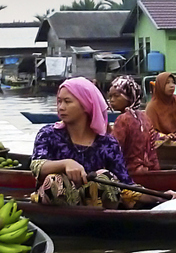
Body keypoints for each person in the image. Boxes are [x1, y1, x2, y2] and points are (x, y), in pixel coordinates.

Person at [31, 77, 136, 207]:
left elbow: (126, 183)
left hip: (97, 211)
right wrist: (66, 164)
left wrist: (161, 196)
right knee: (55, 181)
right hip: (56, 208)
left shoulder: (107, 143)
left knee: (104, 177)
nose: (61, 107)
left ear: (86, 105)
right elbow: (37, 165)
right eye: (59, 101)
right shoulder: (48, 134)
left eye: (67, 102)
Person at [108, 75, 160, 176]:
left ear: (129, 97)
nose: (112, 100)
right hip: (147, 171)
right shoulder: (145, 117)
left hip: (129, 173)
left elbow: (114, 149)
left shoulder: (123, 119)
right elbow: (152, 152)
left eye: (116, 96)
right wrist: (156, 173)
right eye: (110, 96)